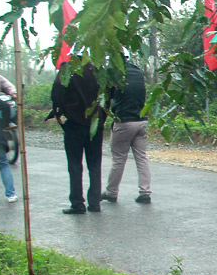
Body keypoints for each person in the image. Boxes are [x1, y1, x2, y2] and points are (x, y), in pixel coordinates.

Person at [49, 59, 106, 214]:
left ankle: (77, 204)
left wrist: (59, 111)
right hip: (95, 124)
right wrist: (102, 118)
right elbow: (108, 96)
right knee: (94, 165)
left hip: (74, 124)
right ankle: (95, 203)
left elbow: (57, 93)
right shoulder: (99, 70)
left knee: (75, 165)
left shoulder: (68, 69)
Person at [102, 57, 151, 204]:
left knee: (119, 159)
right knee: (141, 158)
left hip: (124, 122)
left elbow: (107, 98)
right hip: (141, 121)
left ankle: (111, 192)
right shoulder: (138, 71)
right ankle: (145, 192)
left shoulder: (114, 74)